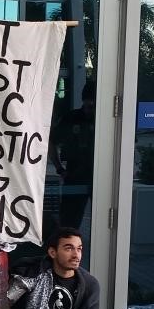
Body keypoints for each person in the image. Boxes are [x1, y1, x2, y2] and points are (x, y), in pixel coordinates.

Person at [49, 82, 96, 229]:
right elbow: (52, 142)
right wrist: (59, 168)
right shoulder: (71, 118)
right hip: (75, 175)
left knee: (105, 223)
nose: (91, 110)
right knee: (69, 224)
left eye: (93, 106)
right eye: (89, 105)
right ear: (84, 101)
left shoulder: (108, 120)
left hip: (100, 176)